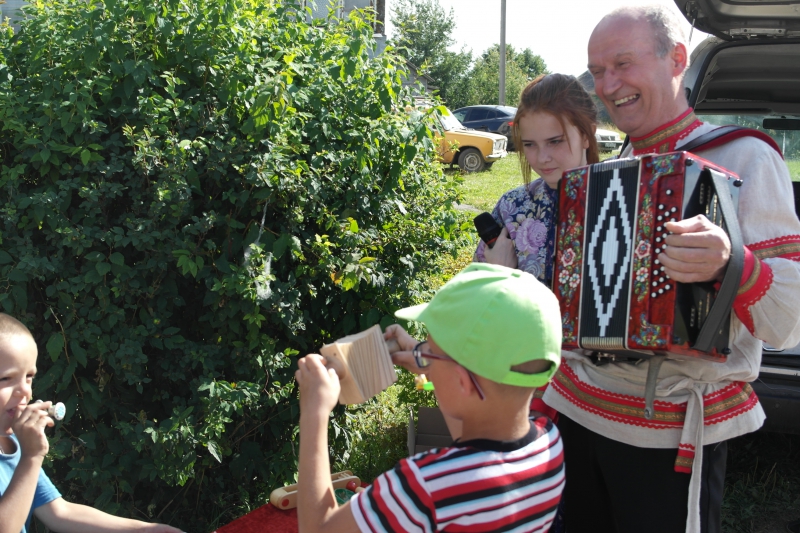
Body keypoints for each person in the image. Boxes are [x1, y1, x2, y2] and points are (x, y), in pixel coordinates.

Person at [540, 6, 800, 533]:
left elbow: (790, 322)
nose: (609, 85)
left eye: (623, 63)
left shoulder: (746, 158)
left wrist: (734, 264)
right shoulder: (601, 174)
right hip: (575, 410)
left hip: (667, 433)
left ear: (677, 59)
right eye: (598, 71)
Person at [295, 263, 565, 533]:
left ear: (461, 382)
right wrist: (431, 362)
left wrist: (314, 413)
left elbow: (319, 529)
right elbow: (469, 425)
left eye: (430, 351)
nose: (424, 356)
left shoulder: (425, 486)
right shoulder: (549, 441)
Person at [0, 313, 183, 533]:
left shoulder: (18, 445)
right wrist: (32, 457)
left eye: (29, 377)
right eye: (6, 379)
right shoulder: (27, 453)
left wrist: (145, 530)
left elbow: (60, 512)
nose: (24, 391)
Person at [474, 73, 600, 286]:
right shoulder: (511, 208)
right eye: (530, 144)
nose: (542, 158)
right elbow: (475, 301)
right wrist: (497, 275)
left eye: (555, 141)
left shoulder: (626, 197)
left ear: (587, 134)